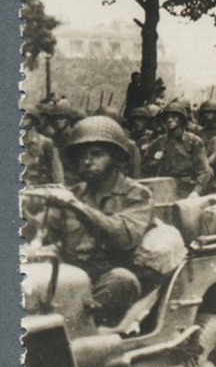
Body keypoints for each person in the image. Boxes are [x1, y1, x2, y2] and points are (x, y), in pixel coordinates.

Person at [34, 116, 159, 326]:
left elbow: (125, 237)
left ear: (116, 157)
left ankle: (76, 328)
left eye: (96, 154)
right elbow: (45, 234)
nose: (87, 161)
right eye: (82, 156)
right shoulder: (75, 193)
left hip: (112, 276)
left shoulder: (137, 195)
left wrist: (78, 207)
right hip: (72, 275)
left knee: (122, 280)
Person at [143, 100, 212, 197]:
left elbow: (204, 171)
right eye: (167, 117)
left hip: (186, 189)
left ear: (181, 119)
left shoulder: (194, 142)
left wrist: (196, 192)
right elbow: (145, 165)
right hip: (163, 188)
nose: (169, 120)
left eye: (174, 117)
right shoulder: (160, 141)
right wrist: (155, 160)